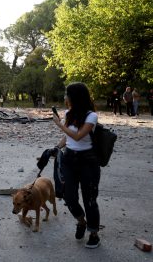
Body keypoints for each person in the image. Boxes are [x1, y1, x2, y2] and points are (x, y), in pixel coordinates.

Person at [52, 82, 101, 249]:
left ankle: (93, 233)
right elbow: (69, 138)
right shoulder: (69, 113)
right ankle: (81, 221)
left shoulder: (91, 116)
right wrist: (57, 147)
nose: (65, 97)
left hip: (88, 161)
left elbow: (79, 136)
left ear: (75, 97)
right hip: (69, 159)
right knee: (69, 196)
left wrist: (59, 125)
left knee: (90, 199)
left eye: (67, 94)